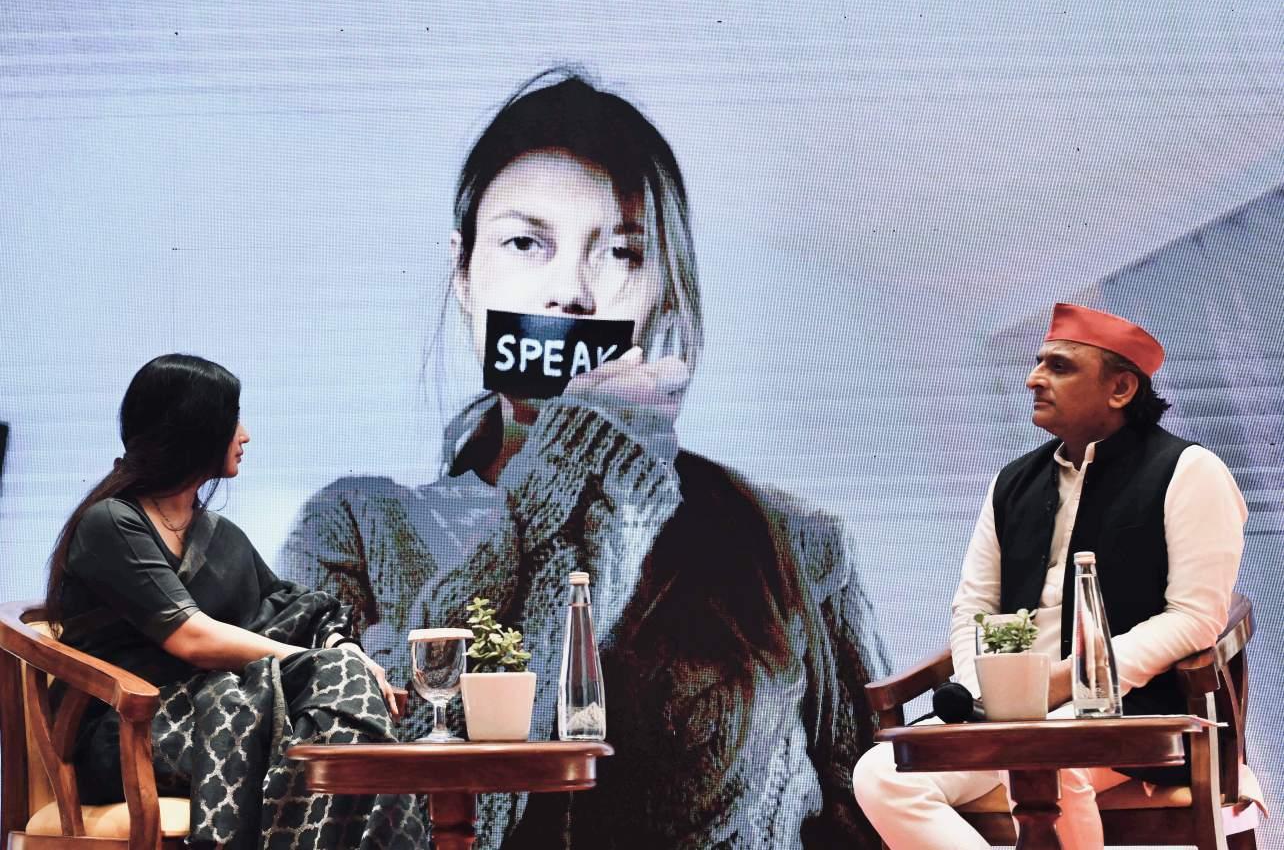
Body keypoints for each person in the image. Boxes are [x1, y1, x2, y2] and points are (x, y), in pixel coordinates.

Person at [280, 69, 888, 849]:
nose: (570, 293)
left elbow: (868, 806)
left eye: (622, 253)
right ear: (464, 274)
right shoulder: (355, 528)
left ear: (663, 289)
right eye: (525, 243)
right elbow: (371, 818)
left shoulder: (796, 540)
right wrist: (570, 471)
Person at [851, 303, 1249, 849]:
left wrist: (1071, 683)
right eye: (1039, 363)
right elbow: (974, 607)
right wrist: (983, 693)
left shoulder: (1190, 471)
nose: (1033, 379)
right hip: (1008, 718)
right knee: (881, 775)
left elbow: (1194, 618)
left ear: (1121, 388)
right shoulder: (1012, 481)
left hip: (1132, 716)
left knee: (1052, 762)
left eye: (1059, 366)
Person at [45, 354, 425, 850]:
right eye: (233, 420)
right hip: (132, 728)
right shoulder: (112, 522)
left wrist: (343, 647)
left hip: (220, 715)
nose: (244, 436)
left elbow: (291, 609)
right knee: (333, 717)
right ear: (195, 429)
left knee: (338, 712)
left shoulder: (219, 535)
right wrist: (315, 661)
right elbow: (192, 638)